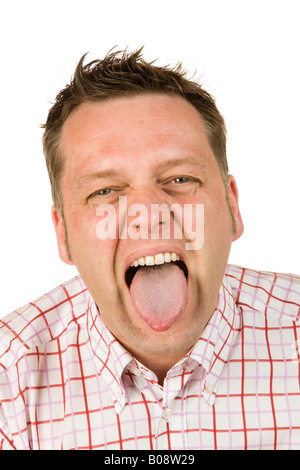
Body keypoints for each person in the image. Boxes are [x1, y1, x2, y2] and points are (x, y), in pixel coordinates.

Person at [0, 48, 299, 451]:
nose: (149, 212)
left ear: (232, 207)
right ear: (63, 234)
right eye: (105, 191)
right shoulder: (9, 379)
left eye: (179, 178)